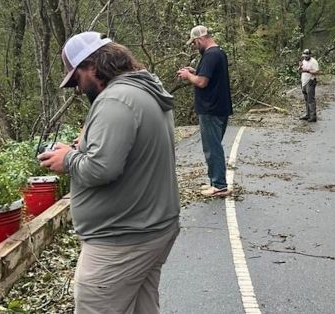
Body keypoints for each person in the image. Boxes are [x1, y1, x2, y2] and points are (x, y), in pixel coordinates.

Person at [37, 31, 180, 314]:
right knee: (142, 307)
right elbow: (128, 149)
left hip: (121, 241)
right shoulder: (143, 89)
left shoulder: (116, 99)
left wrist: (67, 160)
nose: (77, 88)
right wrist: (82, 148)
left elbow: (101, 169)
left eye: (76, 79)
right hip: (150, 228)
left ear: (92, 66)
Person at [177, 25, 233, 197]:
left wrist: (188, 76)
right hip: (220, 107)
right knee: (214, 145)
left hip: (211, 109)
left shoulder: (210, 55)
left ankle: (219, 185)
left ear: (200, 39)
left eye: (194, 43)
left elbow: (201, 82)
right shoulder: (219, 53)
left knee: (212, 147)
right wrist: (196, 71)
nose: (194, 47)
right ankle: (214, 181)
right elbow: (208, 76)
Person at [298, 48, 320, 122]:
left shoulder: (314, 62)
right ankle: (308, 115)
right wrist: (300, 67)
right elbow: (300, 71)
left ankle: (313, 116)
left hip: (310, 81)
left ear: (310, 55)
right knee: (306, 99)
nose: (305, 57)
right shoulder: (303, 61)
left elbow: (316, 72)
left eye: (307, 56)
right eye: (304, 56)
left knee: (311, 99)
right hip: (303, 82)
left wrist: (307, 71)